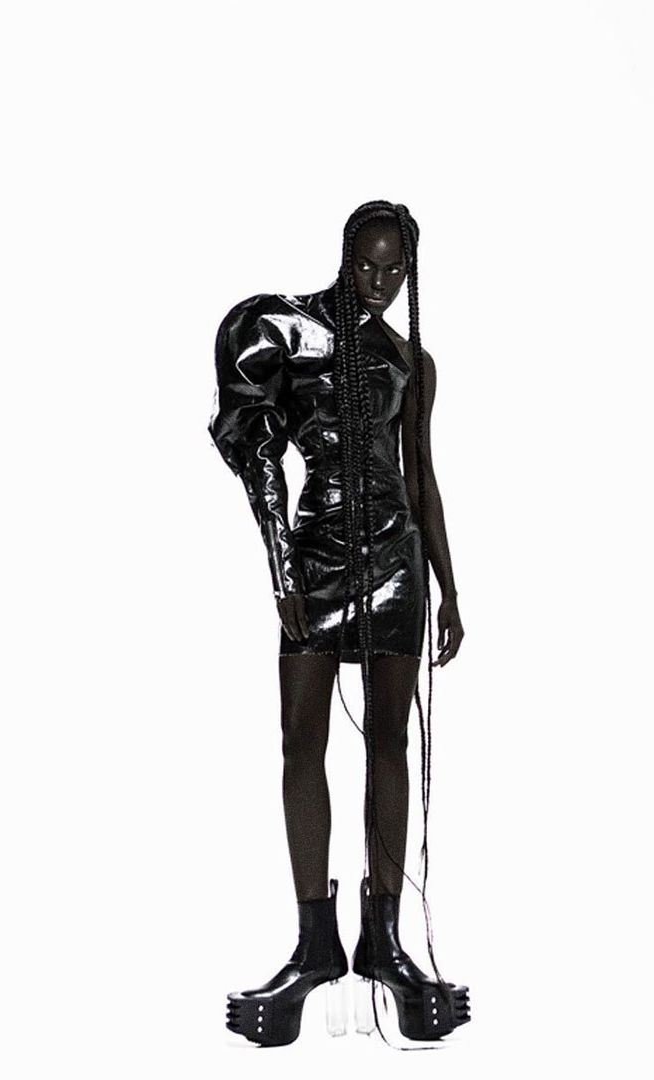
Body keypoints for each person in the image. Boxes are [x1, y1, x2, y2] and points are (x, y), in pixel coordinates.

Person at [208, 200, 470, 1047]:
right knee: (300, 742)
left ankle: (384, 942)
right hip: (316, 557)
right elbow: (256, 451)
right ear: (345, 255)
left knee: (389, 742)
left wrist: (450, 587)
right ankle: (314, 943)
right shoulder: (286, 330)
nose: (381, 282)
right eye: (368, 264)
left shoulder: (411, 362)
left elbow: (420, 474)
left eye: (396, 270)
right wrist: (284, 571)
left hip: (396, 561)